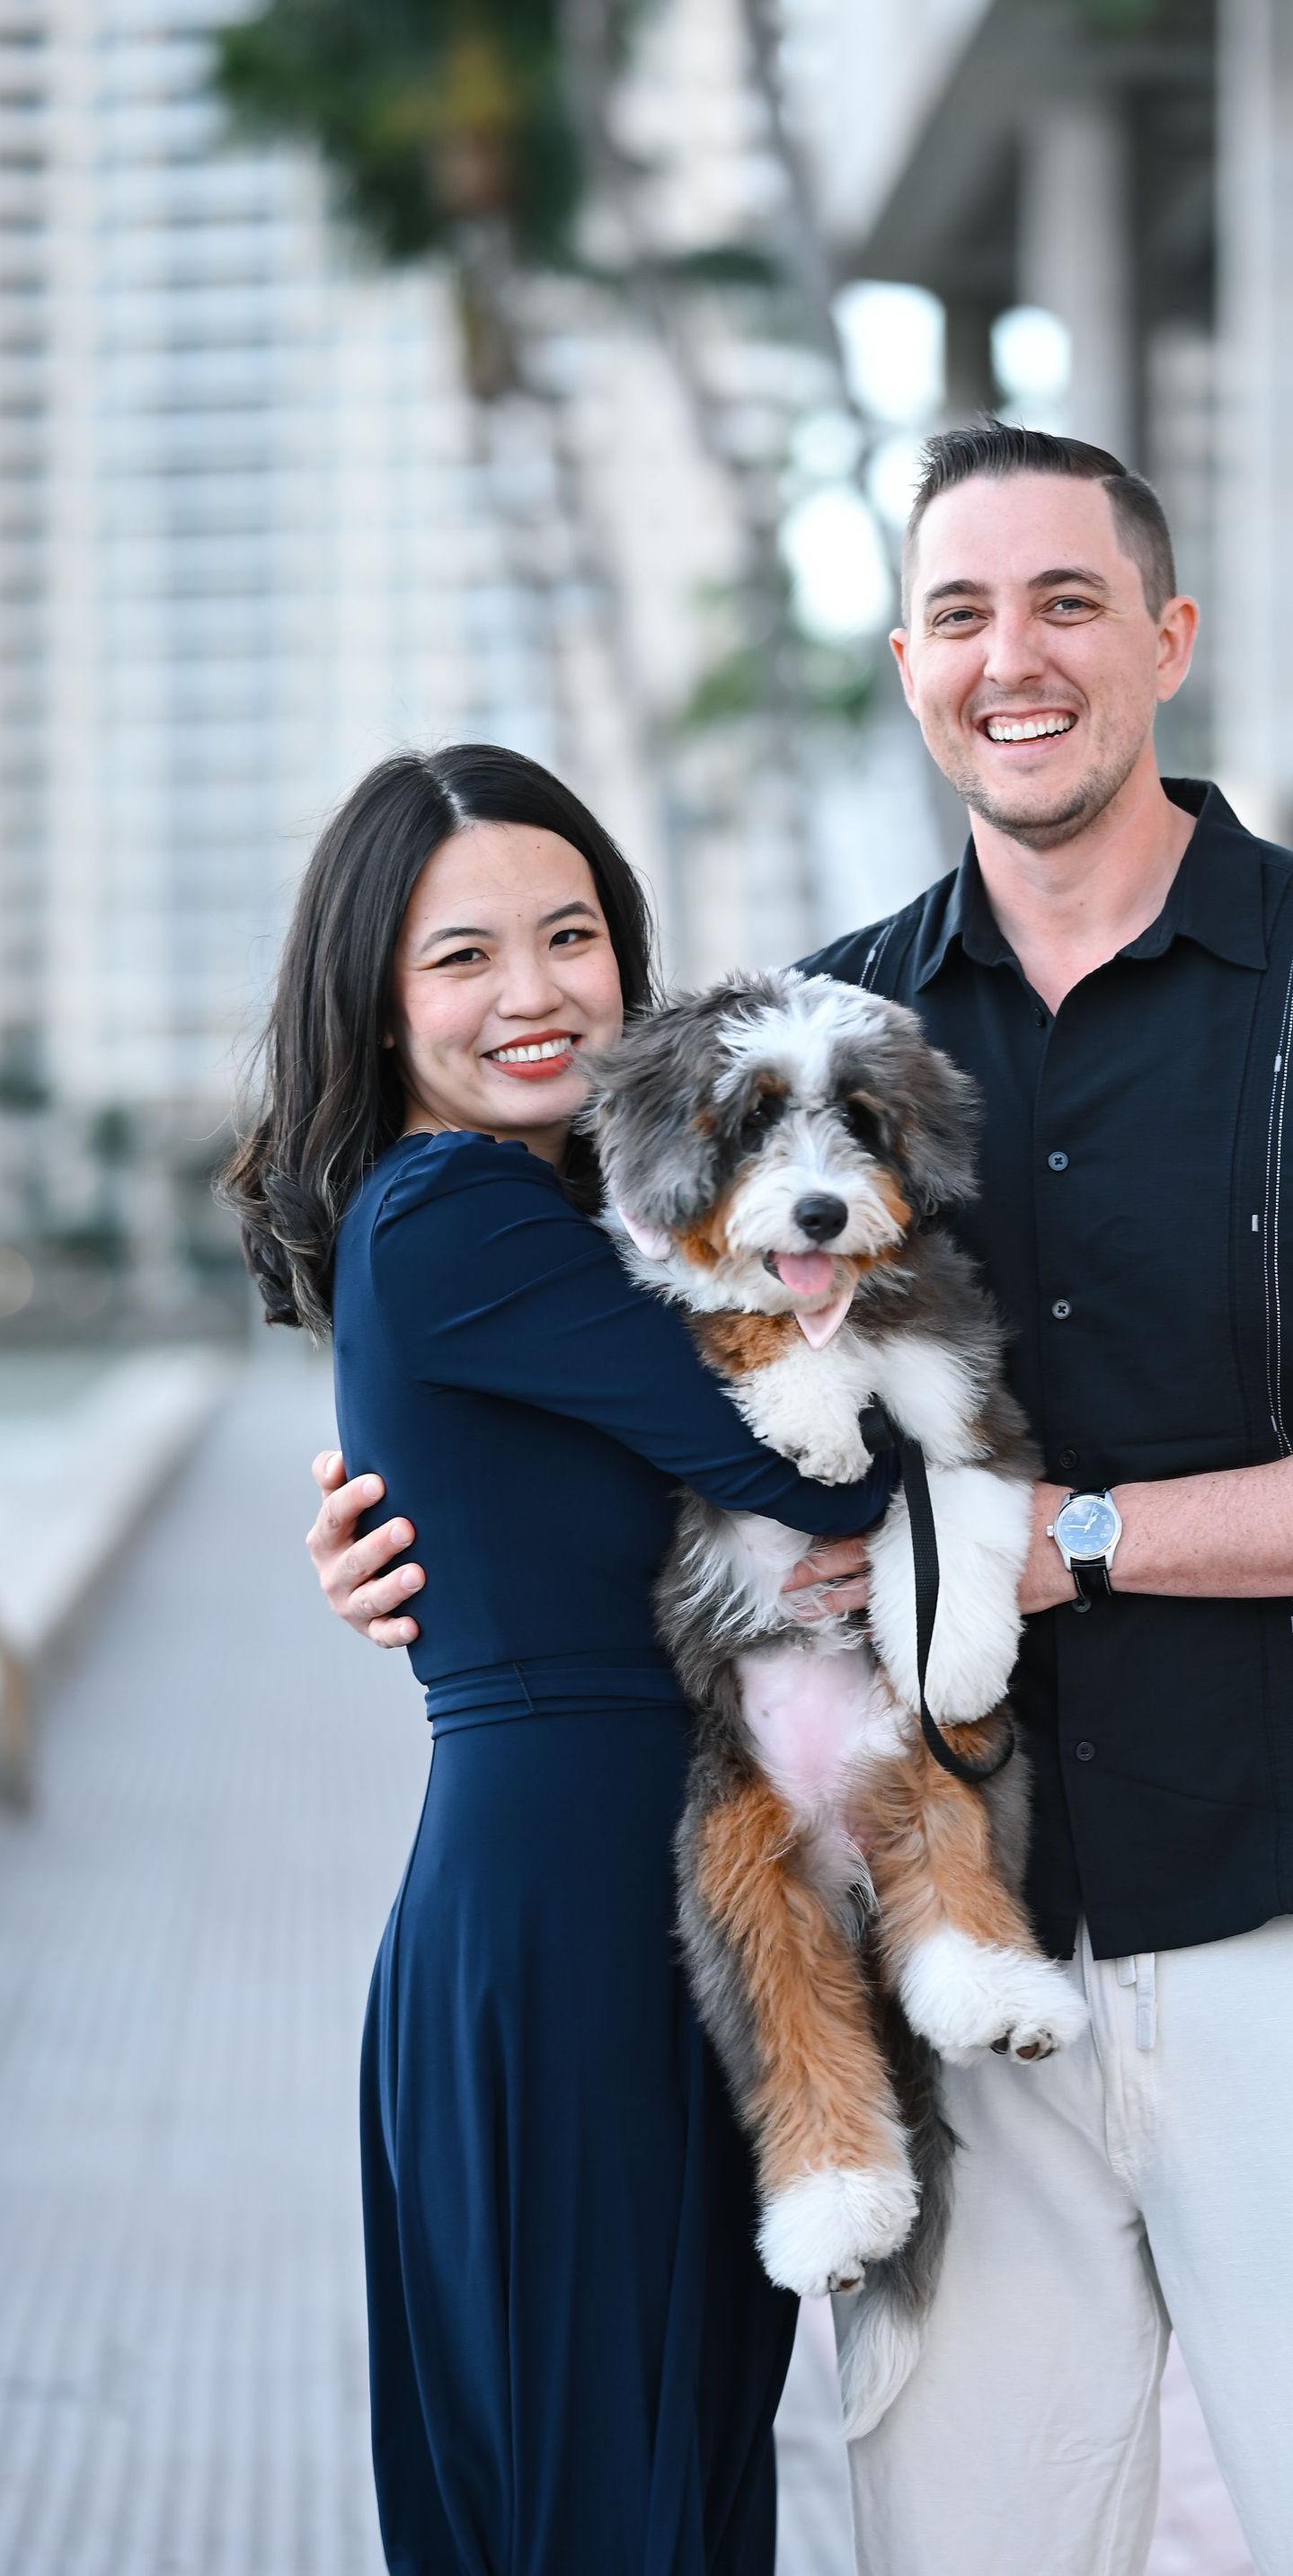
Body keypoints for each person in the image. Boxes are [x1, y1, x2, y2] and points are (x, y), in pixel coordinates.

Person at [309, 429, 1293, 2576]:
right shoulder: (832, 1028)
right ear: (909, 662)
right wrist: (387, 1539)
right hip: (944, 1982)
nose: (1018, 659)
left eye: (1069, 603)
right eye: (965, 615)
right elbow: (644, 1392)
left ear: (1164, 639)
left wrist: (1068, 1540)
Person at [225, 744, 894, 2576]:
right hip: (573, 1923)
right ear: (374, 999)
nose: (533, 993)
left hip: (653, 1904)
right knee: (600, 2494)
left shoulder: (563, 1216)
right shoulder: (457, 1215)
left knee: (656, 2477)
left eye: (572, 935)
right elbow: (804, 1457)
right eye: (462, 957)